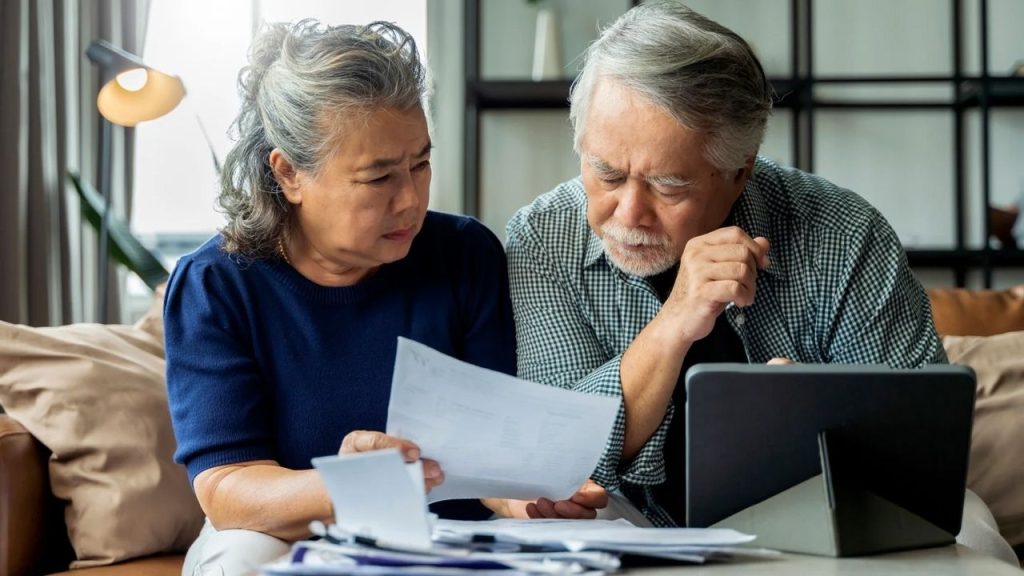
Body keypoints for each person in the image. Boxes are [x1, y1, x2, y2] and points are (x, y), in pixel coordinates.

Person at [505, 1, 1017, 564]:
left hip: (823, 512)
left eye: (668, 186)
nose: (629, 213)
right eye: (606, 174)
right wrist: (676, 321)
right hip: (626, 518)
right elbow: (552, 455)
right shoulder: (541, 239)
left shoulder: (845, 234)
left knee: (971, 531)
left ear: (740, 170)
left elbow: (922, 452)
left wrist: (813, 422)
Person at [164, 20, 522, 576]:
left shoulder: (465, 255)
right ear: (288, 174)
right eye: (378, 178)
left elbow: (490, 453)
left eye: (421, 164)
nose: (410, 199)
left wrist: (523, 496)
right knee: (238, 560)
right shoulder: (217, 284)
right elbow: (227, 489)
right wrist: (346, 485)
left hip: (450, 531)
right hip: (282, 533)